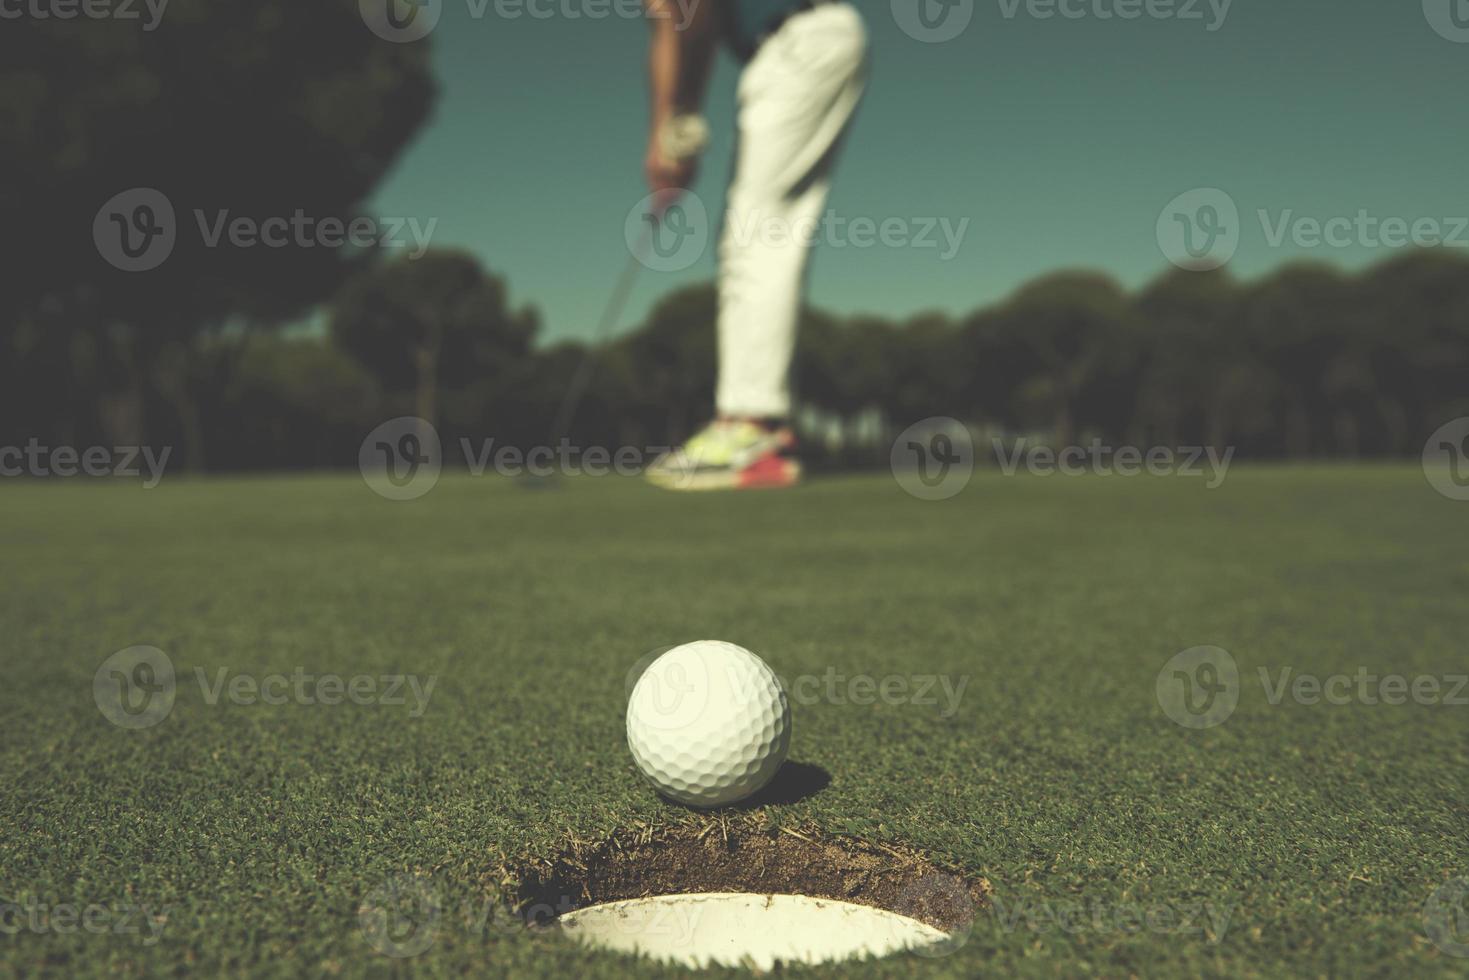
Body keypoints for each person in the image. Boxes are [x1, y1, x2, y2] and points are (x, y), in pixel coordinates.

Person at [640, 0, 869, 490]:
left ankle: (753, 429)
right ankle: (758, 428)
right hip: (798, 43)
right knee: (754, 230)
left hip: (797, 43)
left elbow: (679, 16)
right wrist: (680, 128)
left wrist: (667, 130)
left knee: (758, 233)